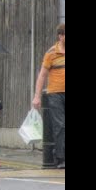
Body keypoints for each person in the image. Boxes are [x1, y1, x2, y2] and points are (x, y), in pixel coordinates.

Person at [32, 22, 65, 169]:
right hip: (55, 94)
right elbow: (42, 75)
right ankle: (61, 157)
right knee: (60, 126)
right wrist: (37, 96)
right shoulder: (51, 53)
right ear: (60, 36)